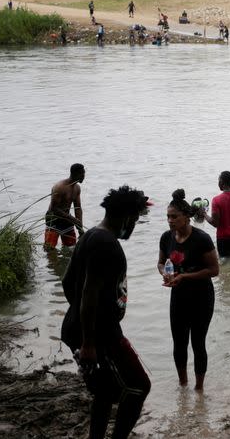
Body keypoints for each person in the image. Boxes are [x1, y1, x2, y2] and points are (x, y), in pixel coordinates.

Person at [60, 185, 151, 439]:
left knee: (106, 391)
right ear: (125, 216)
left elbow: (67, 282)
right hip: (100, 336)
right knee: (139, 386)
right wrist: (89, 341)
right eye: (134, 218)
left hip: (82, 328)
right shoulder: (106, 244)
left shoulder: (91, 235)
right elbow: (89, 293)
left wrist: (78, 315)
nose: (133, 225)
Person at [158, 189, 220, 391]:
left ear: (187, 217)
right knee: (179, 343)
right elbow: (160, 263)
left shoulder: (201, 239)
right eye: (168, 216)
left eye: (174, 217)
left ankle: (199, 388)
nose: (170, 220)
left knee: (198, 343)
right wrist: (165, 274)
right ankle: (183, 383)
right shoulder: (166, 238)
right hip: (178, 297)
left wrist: (184, 276)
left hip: (201, 297)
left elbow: (214, 270)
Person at [45, 163, 85, 249]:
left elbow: (78, 208)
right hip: (53, 219)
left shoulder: (77, 188)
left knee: (71, 248)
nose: (84, 176)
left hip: (66, 220)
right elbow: (54, 209)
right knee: (49, 249)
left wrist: (80, 228)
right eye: (82, 173)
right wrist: (72, 219)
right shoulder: (59, 187)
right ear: (76, 174)